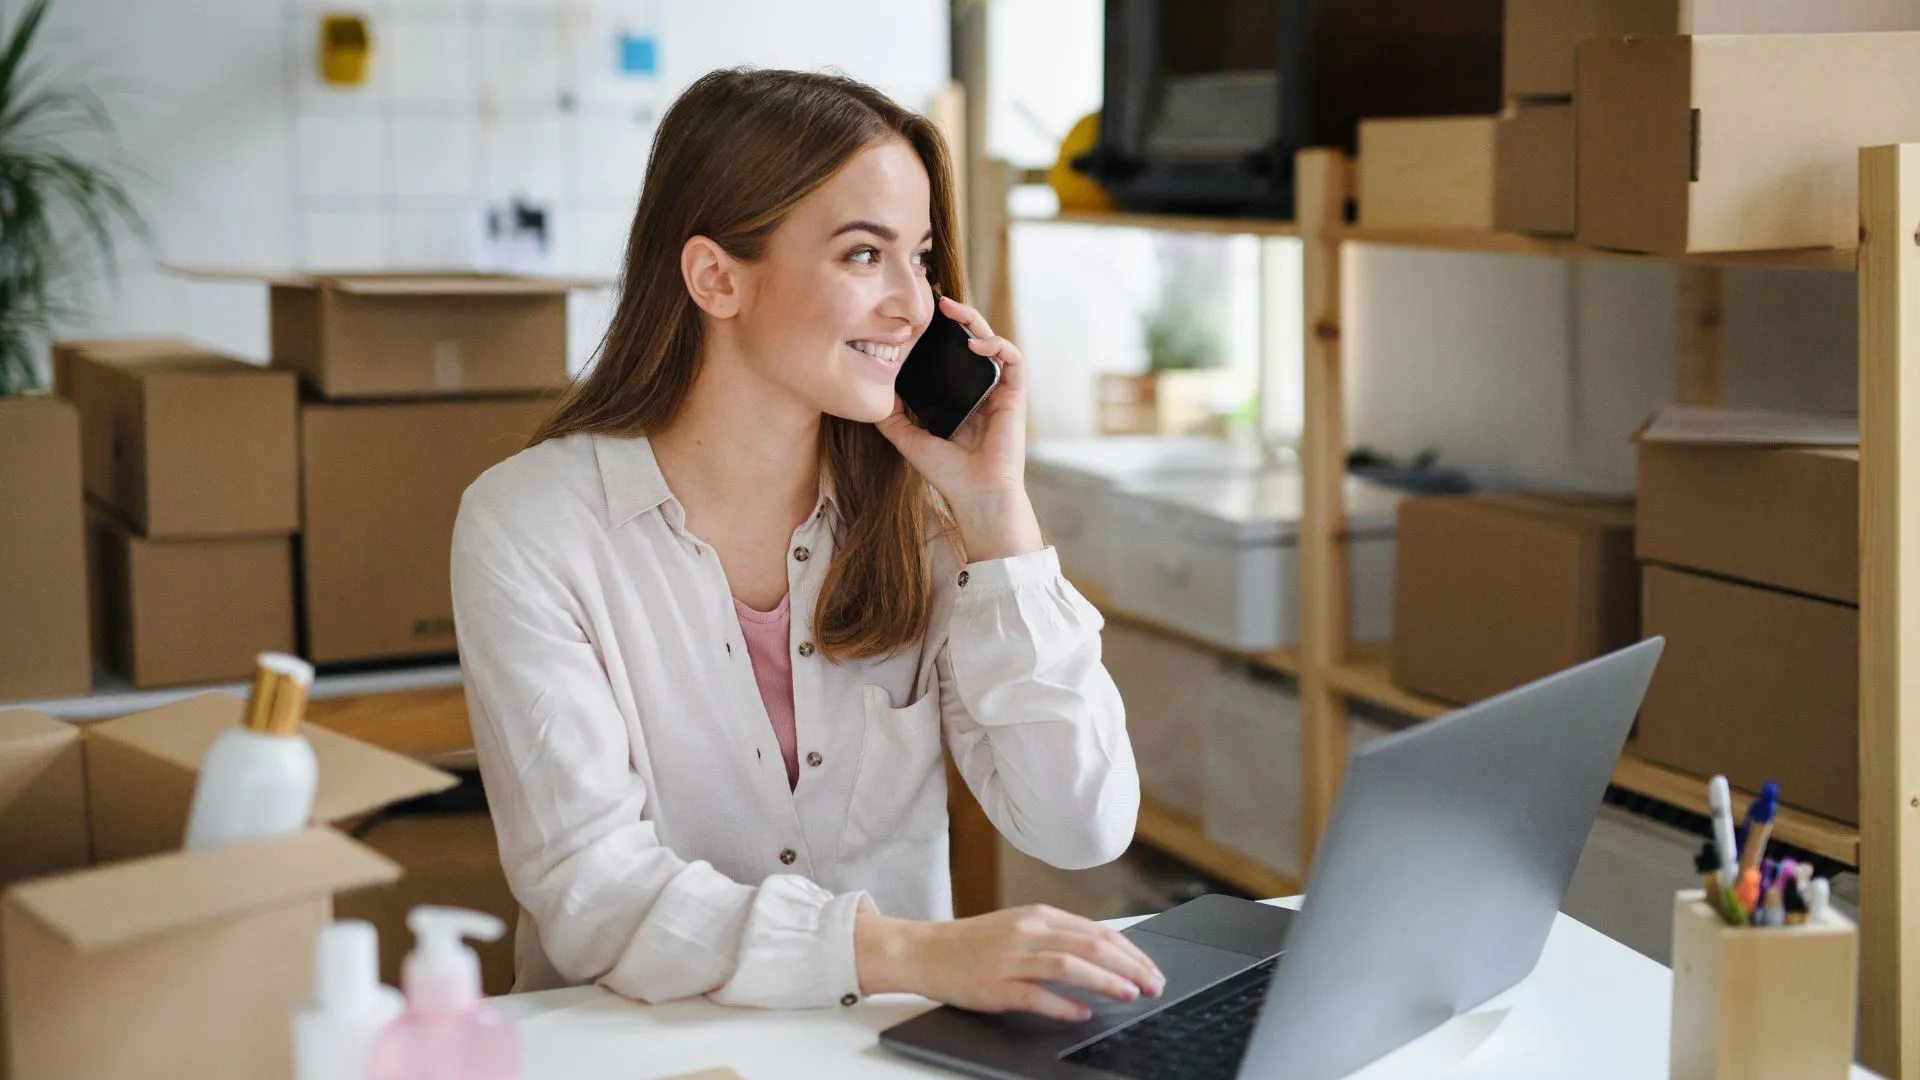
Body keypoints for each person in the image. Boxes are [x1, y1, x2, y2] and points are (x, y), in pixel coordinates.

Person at [451, 67, 1160, 1023]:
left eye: (921, 258)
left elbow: (1081, 827)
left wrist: (1000, 519)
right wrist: (914, 952)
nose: (913, 306)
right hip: (635, 1050)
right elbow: (592, 895)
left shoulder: (928, 515)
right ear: (716, 277)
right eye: (865, 255)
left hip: (875, 1050)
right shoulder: (531, 525)